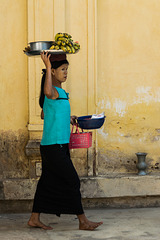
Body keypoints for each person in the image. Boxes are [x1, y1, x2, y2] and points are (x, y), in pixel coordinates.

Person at [28, 51, 103, 230]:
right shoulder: (51, 91)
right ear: (52, 72)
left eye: (66, 69)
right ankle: (83, 221)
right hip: (53, 146)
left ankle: (34, 218)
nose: (66, 72)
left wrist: (68, 118)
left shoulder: (60, 92)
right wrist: (47, 66)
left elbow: (46, 113)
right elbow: (47, 93)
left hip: (58, 145)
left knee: (46, 182)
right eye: (62, 69)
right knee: (72, 181)